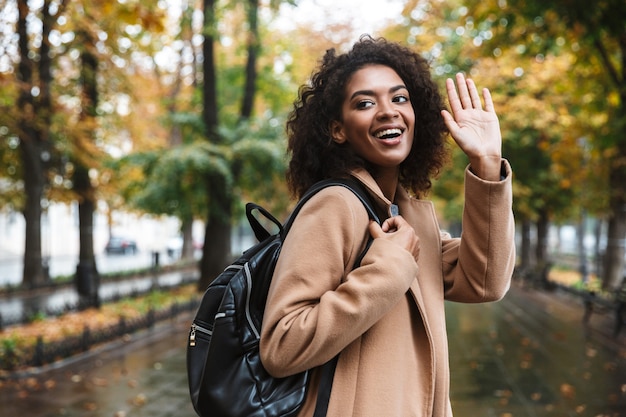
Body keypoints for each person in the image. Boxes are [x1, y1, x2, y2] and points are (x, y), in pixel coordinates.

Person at [259, 35, 515, 417]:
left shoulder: (410, 217)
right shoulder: (335, 205)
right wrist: (387, 270)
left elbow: (485, 281)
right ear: (338, 129)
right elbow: (282, 345)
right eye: (364, 103)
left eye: (399, 98)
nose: (387, 111)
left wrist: (488, 164)